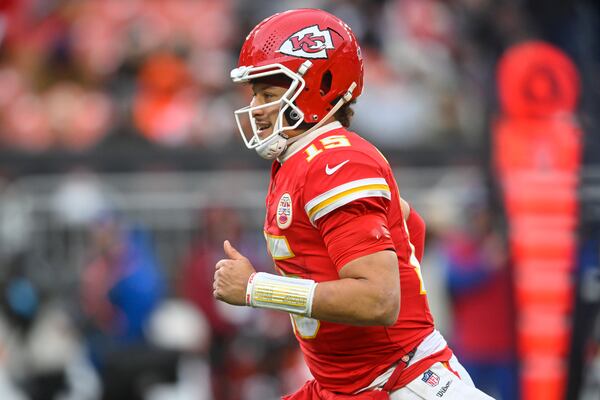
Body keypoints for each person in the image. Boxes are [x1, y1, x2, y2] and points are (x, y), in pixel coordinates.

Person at [213, 8, 493, 400]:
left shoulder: (333, 163)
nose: (257, 108)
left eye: (270, 94)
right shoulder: (305, 159)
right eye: (256, 94)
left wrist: (256, 289)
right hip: (346, 383)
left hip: (399, 382)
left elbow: (378, 299)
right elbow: (411, 226)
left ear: (318, 88)